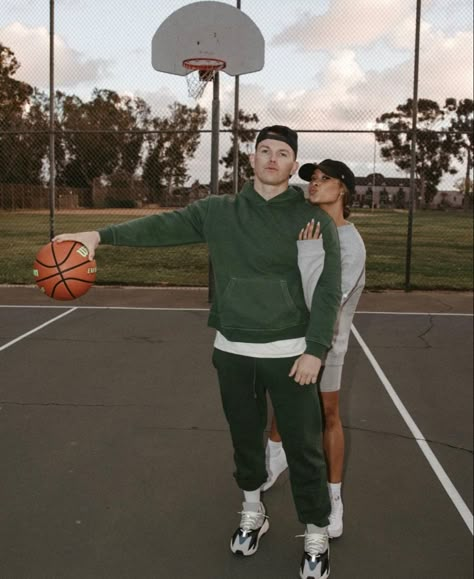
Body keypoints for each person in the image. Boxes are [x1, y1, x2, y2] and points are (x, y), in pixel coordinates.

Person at [53, 126, 342, 579]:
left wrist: (315, 350)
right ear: (251, 159)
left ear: (293, 164)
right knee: (246, 442)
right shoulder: (218, 211)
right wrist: (96, 234)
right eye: (264, 150)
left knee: (304, 448)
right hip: (232, 349)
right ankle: (253, 512)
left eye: (282, 153)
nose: (271, 159)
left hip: (290, 354)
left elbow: (328, 291)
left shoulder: (312, 221)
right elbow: (159, 226)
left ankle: (316, 531)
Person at [262, 159, 366, 542]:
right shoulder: (311, 227)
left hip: (326, 343)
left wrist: (306, 255)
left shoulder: (350, 246)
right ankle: (276, 453)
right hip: (293, 336)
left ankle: (333, 496)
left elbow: (322, 304)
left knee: (328, 415)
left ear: (343, 191)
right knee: (285, 398)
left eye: (325, 180)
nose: (314, 184)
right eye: (313, 179)